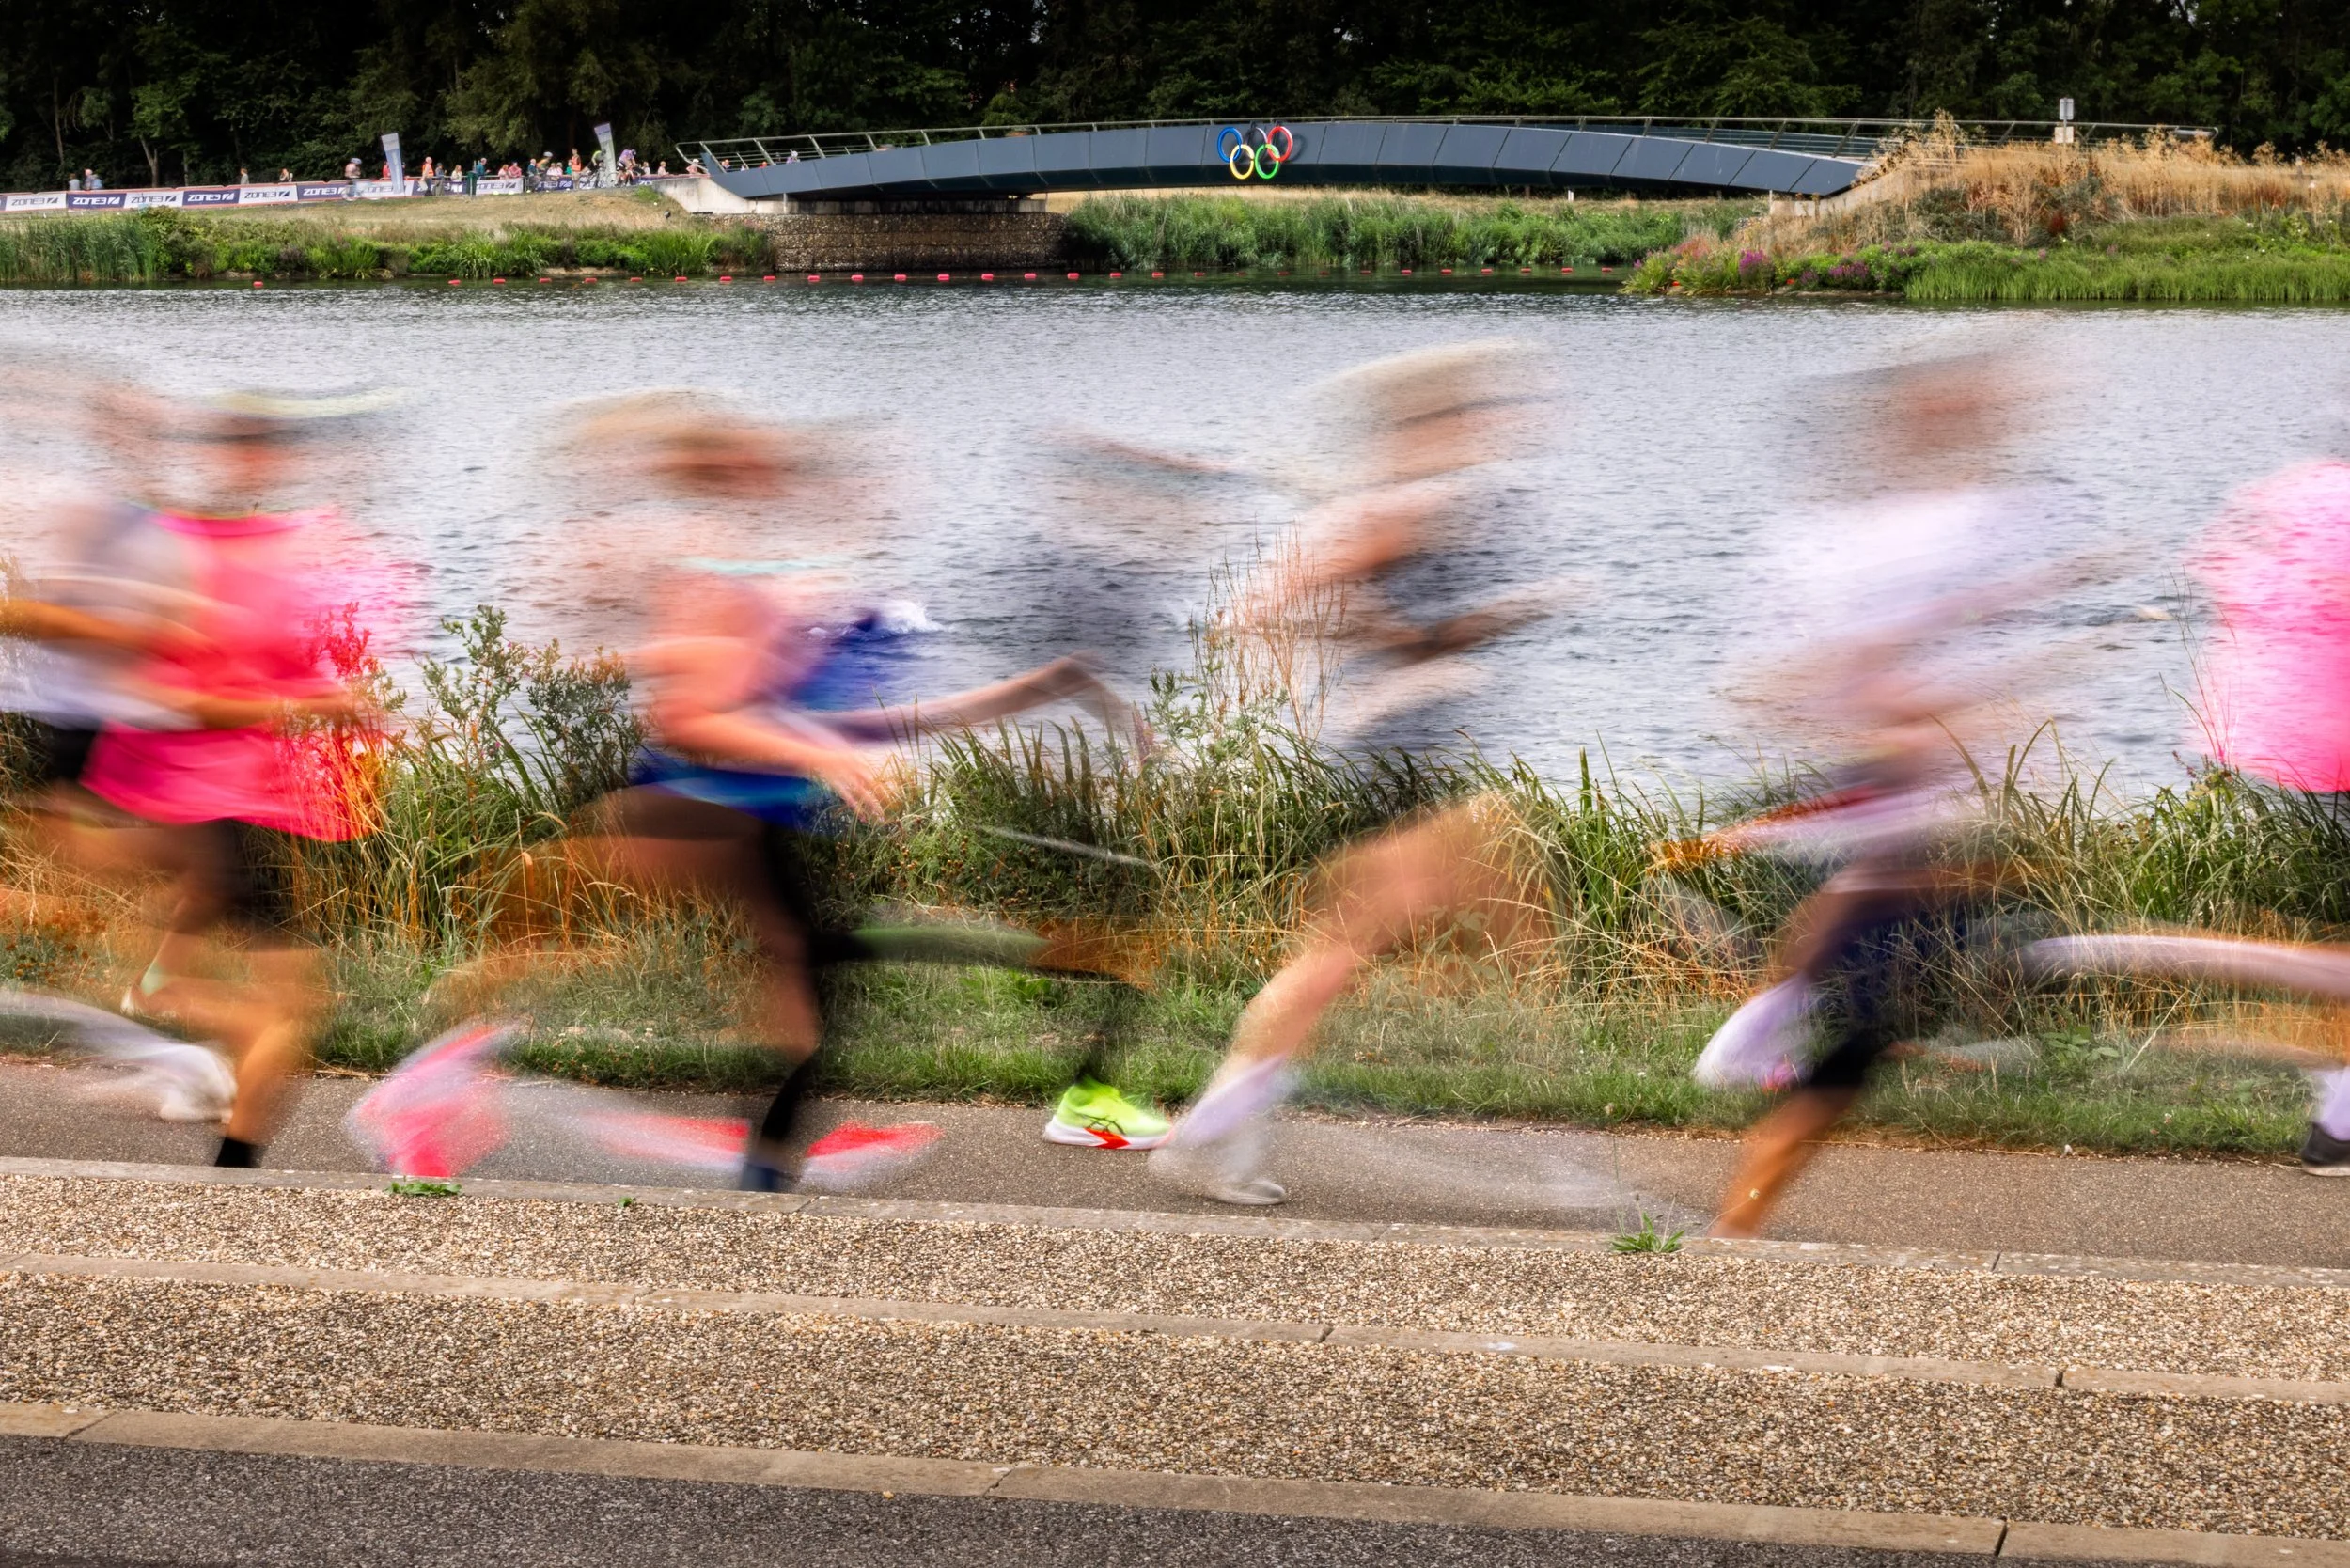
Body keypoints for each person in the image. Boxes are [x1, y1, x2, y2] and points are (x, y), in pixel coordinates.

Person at [1147, 341, 1562, 1205]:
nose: (1497, 425)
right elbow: (1251, 611)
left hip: (1426, 756)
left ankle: (1216, 1135)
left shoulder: (1428, 503)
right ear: (1429, 425)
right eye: (1477, 411)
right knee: (1350, 956)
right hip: (1405, 761)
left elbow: (1412, 627)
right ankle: (1210, 1138)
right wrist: (1368, 639)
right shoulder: (1397, 509)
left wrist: (1474, 622)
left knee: (1346, 956)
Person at [1696, 353, 2073, 1238]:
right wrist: (1904, 717)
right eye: (1952, 411)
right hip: (1874, 791)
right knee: (1865, 1023)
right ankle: (1732, 1226)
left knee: (1884, 947)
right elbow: (1794, 678)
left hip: (1895, 805)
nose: (1973, 424)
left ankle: (1758, 1054)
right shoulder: (1840, 542)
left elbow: (1938, 627)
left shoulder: (1910, 526)